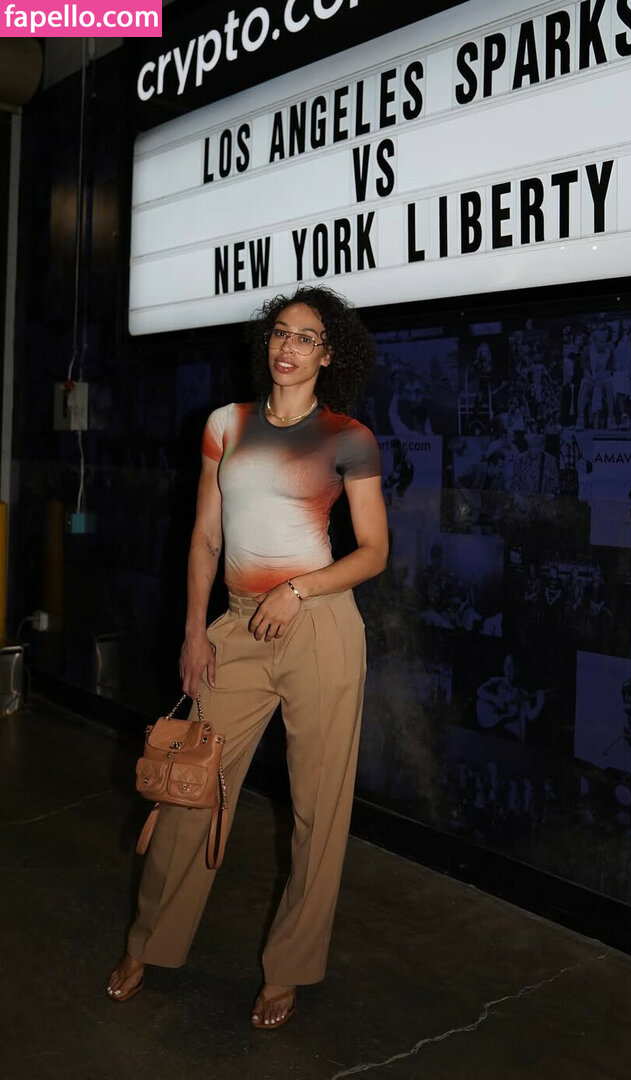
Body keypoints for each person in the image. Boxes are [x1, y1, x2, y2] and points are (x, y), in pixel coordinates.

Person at [106, 286, 388, 1028]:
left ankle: (288, 968)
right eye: (280, 333)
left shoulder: (349, 437)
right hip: (235, 626)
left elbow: (374, 552)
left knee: (318, 812)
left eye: (306, 337)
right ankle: (147, 942)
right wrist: (194, 630)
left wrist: (298, 589)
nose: (288, 347)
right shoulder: (225, 425)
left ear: (328, 354)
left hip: (320, 629)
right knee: (187, 789)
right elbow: (205, 537)